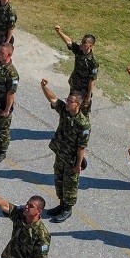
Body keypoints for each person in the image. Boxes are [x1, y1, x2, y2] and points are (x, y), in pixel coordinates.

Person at [42, 80, 89, 223]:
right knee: (59, 180)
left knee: (70, 184)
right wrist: (44, 87)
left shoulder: (83, 124)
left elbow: (82, 147)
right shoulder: (65, 111)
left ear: (78, 104)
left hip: (71, 159)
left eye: (70, 102)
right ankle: (62, 204)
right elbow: (53, 99)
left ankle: (67, 209)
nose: (67, 103)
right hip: (60, 154)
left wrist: (78, 165)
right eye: (67, 100)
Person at [54, 24, 98, 115]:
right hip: (75, 86)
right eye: (82, 41)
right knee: (71, 108)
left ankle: (81, 129)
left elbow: (92, 80)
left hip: (84, 91)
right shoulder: (79, 51)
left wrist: (88, 96)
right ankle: (69, 128)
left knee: (82, 112)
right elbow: (69, 42)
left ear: (90, 46)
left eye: (84, 42)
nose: (81, 43)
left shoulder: (93, 63)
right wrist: (59, 32)